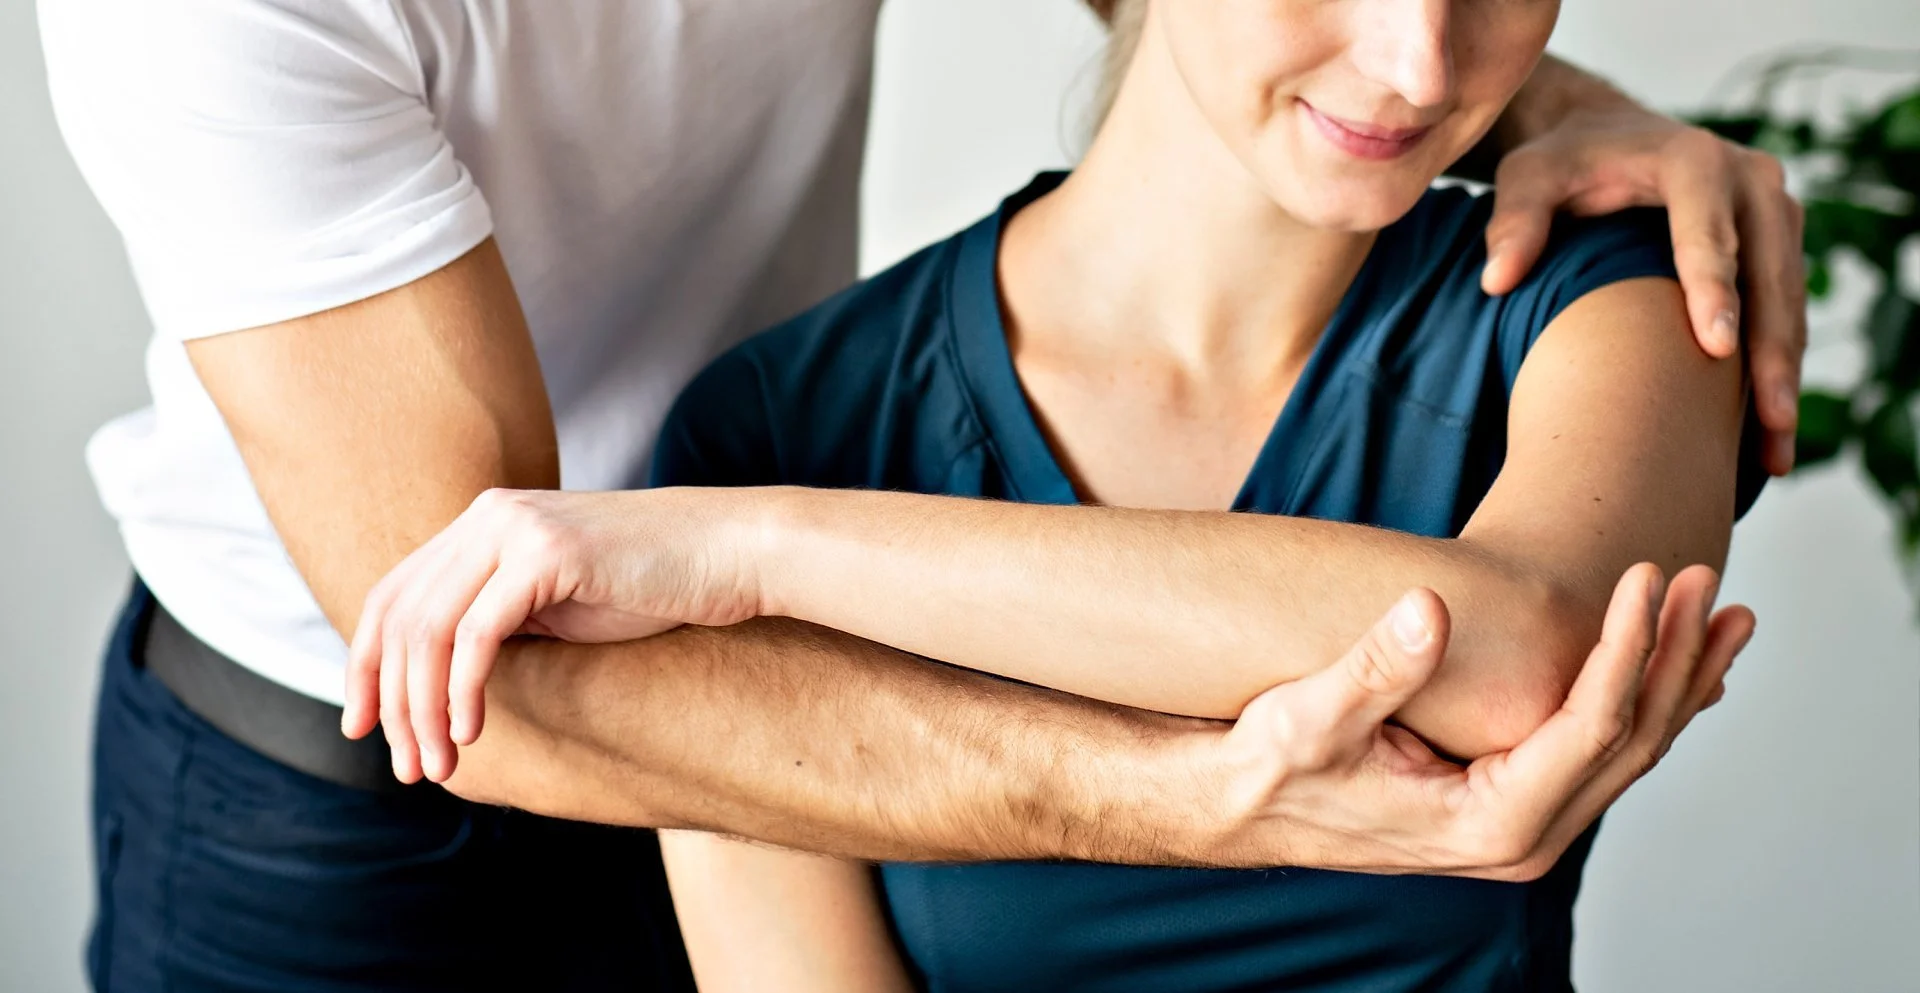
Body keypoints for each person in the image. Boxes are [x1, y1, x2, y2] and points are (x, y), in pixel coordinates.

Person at [39, 0, 1797, 990]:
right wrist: (1211, 794)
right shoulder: (205, 16)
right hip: (343, 769)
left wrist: (1562, 109)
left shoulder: (1578, 286)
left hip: (729, 555)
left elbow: (1521, 645)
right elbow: (484, 655)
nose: (1422, 50)